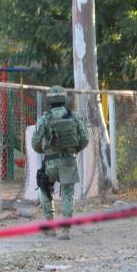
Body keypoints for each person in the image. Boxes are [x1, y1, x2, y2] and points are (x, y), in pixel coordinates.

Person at [31, 85, 89, 240]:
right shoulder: (74, 116)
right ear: (64, 99)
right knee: (68, 195)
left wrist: (44, 150)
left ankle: (51, 227)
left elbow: (35, 142)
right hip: (69, 160)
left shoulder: (45, 118)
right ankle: (65, 231)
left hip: (50, 162)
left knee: (44, 189)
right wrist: (73, 150)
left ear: (49, 100)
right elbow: (85, 139)